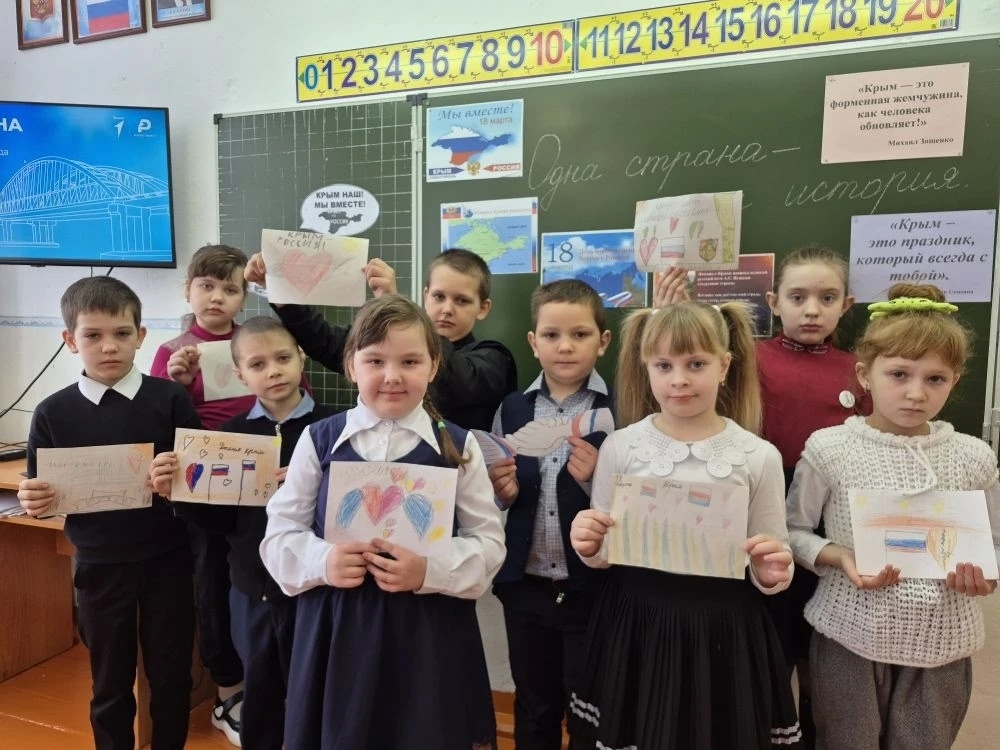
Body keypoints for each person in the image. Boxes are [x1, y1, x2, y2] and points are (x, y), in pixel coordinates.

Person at [260, 294, 506, 750]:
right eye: (375, 361)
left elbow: (488, 544)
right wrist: (324, 561)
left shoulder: (459, 446)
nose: (392, 376)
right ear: (352, 366)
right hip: (339, 630)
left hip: (429, 633)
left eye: (410, 361)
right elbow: (279, 535)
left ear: (433, 366)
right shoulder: (319, 440)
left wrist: (428, 570)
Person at [568, 300, 801, 749]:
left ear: (724, 366)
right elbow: (603, 550)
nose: (679, 379)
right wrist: (588, 542)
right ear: (647, 369)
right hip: (637, 623)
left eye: (696, 363)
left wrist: (773, 571)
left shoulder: (758, 456)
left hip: (723, 629)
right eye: (664, 365)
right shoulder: (621, 447)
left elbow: (772, 555)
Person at [785, 283, 1000, 750]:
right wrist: (839, 555)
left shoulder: (974, 457)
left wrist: (985, 577)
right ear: (865, 374)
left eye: (935, 379)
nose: (915, 393)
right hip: (849, 635)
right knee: (846, 741)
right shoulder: (830, 449)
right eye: (899, 374)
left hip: (943, 644)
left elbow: (994, 545)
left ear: (956, 379)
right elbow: (793, 532)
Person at [17, 276, 199, 750]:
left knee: (172, 676)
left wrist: (178, 480)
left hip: (169, 560)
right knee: (109, 683)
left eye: (121, 333)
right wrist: (34, 501)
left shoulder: (171, 399)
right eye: (93, 335)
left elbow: (198, 483)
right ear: (70, 340)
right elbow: (41, 493)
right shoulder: (52, 412)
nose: (109, 346)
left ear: (141, 336)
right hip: (99, 567)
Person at [149, 316, 337, 750]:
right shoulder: (231, 437)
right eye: (257, 364)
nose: (273, 371)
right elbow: (221, 524)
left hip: (317, 590)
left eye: (283, 358)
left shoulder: (334, 428)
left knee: (319, 693)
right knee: (262, 695)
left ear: (301, 359)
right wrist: (178, 495)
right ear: (240, 375)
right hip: (253, 591)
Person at [488, 279, 612, 750]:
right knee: (534, 706)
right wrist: (502, 493)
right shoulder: (512, 408)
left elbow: (636, 502)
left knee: (589, 708)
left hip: (592, 591)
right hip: (526, 586)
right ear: (533, 342)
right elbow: (501, 496)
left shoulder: (619, 409)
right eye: (552, 334)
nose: (565, 346)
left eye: (580, 334)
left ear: (603, 341)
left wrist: (594, 481)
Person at [758, 246, 868, 742]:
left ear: (846, 305)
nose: (811, 310)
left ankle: (814, 732)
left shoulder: (859, 369)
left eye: (827, 298)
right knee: (772, 635)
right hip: (765, 504)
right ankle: (771, 729)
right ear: (773, 301)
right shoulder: (750, 360)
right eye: (797, 297)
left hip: (834, 515)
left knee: (817, 642)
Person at [150, 244, 257, 746]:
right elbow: (154, 420)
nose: (216, 297)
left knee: (261, 583)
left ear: (244, 297)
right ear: (188, 290)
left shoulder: (258, 341)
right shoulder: (172, 351)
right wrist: (176, 383)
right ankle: (228, 692)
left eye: (229, 289)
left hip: (262, 485)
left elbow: (296, 394)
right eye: (206, 286)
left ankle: (264, 681)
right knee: (211, 585)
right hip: (204, 491)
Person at [245, 247, 518, 430]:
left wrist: (394, 306)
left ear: (483, 308)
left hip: (453, 479)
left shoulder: (494, 358)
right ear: (426, 296)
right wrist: (281, 290)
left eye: (462, 300)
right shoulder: (383, 346)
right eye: (439, 296)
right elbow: (324, 341)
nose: (447, 308)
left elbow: (453, 379)